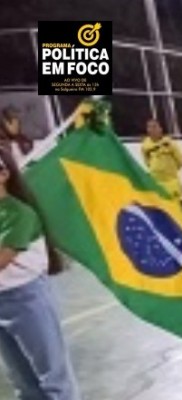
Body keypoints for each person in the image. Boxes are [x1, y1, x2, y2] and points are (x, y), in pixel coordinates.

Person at [0, 149, 80, 399]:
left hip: (26, 300)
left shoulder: (19, 213)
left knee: (53, 379)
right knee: (23, 382)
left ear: (3, 173)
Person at [140, 119, 182, 202]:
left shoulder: (169, 143)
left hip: (172, 183)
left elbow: (180, 161)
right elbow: (147, 162)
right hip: (157, 185)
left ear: (160, 129)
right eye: (149, 127)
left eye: (154, 127)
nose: (152, 130)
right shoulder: (145, 146)